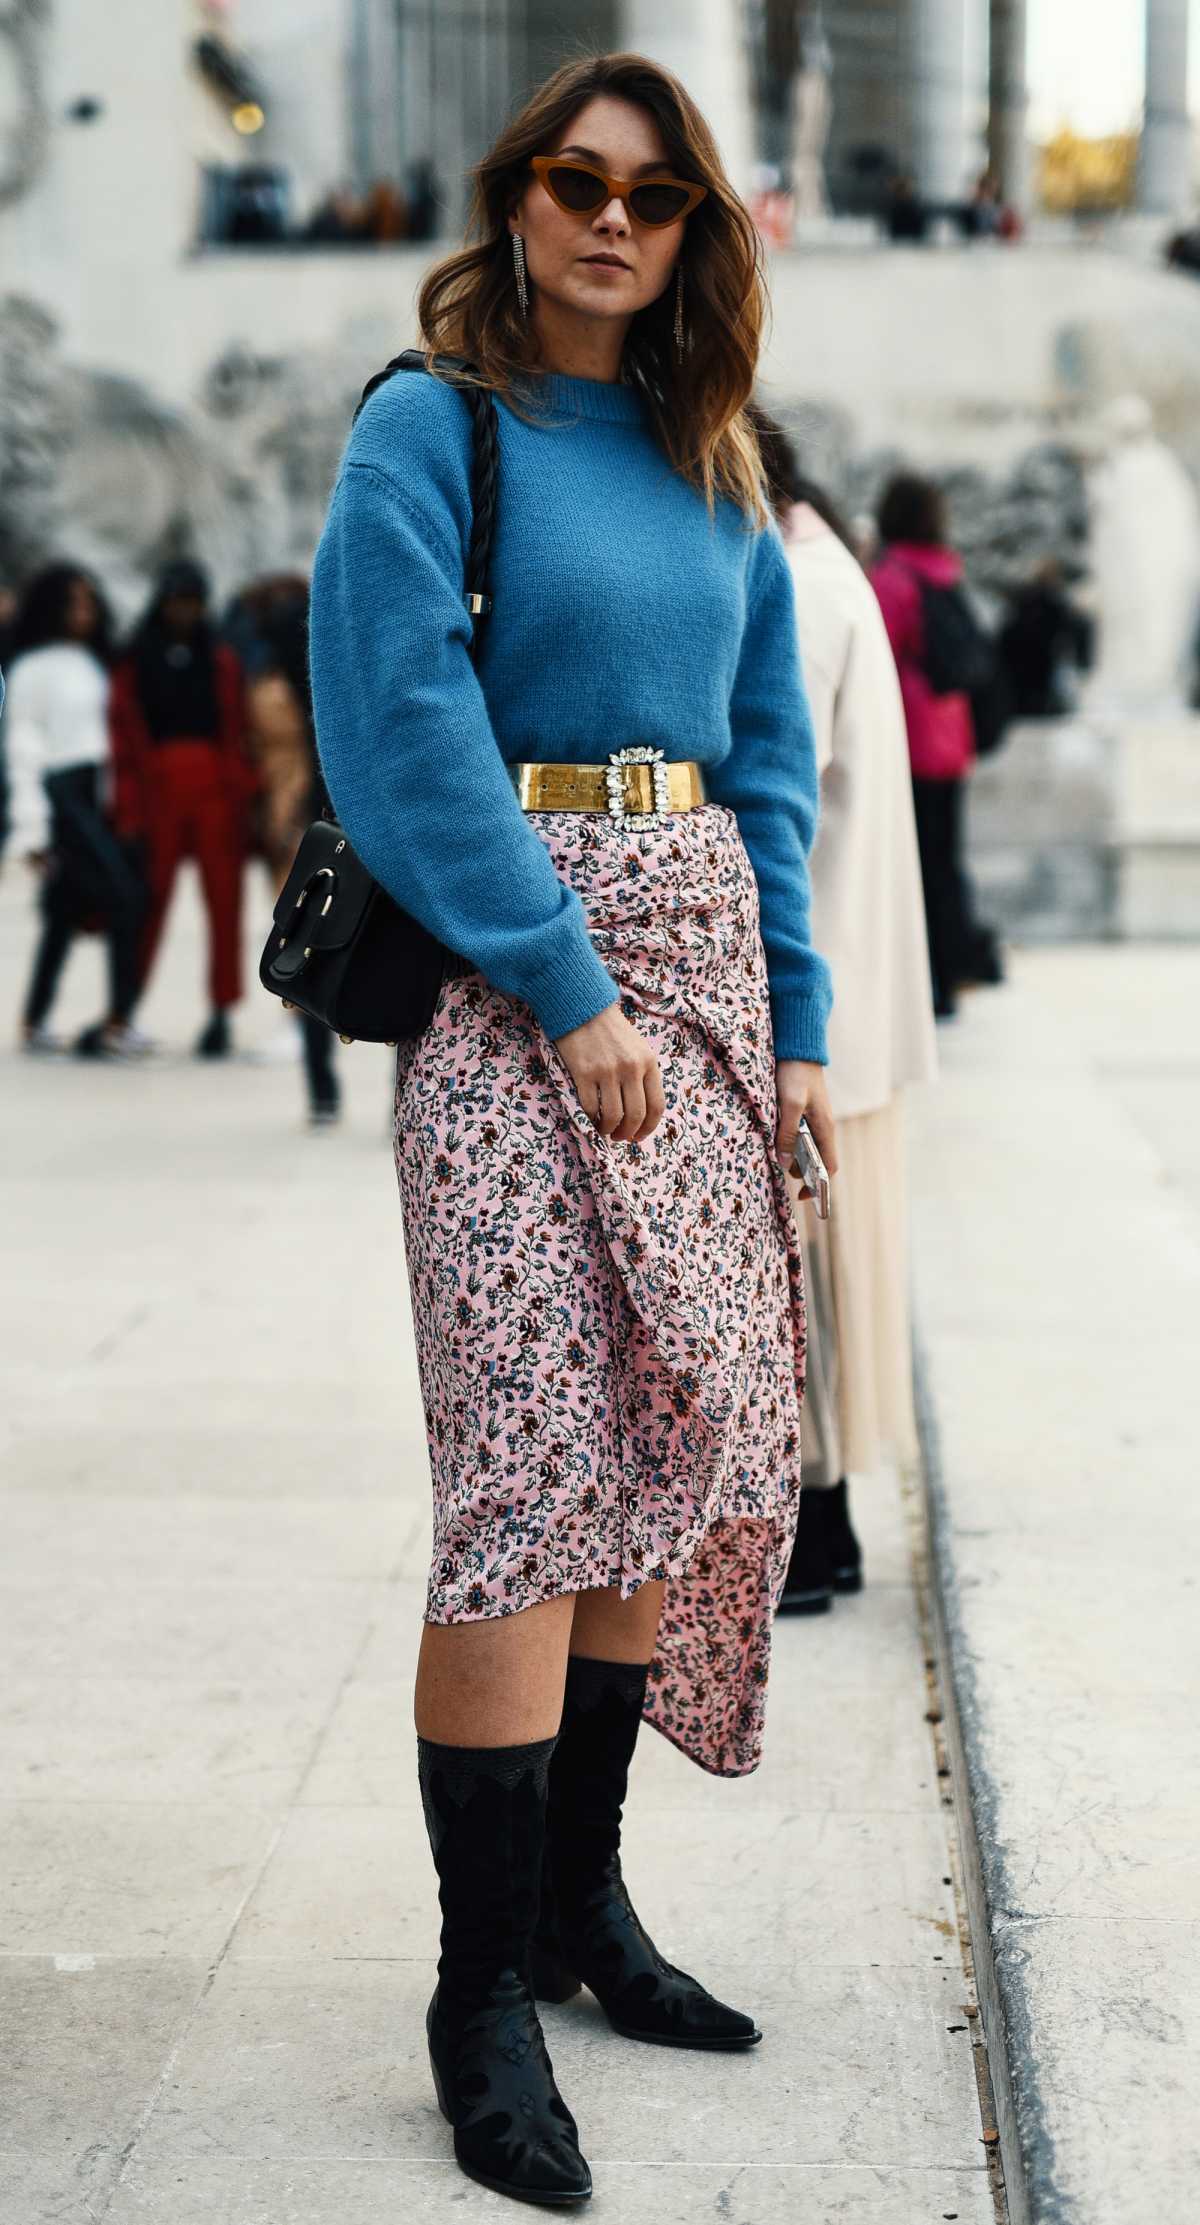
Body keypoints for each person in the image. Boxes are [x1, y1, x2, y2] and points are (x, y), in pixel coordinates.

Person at [309, 50, 836, 2209]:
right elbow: (397, 716)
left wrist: (791, 1023)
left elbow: (771, 756)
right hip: (519, 976)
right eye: (574, 180)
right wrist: (565, 980)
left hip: (706, 972)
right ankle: (475, 1987)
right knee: (531, 1465)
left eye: (656, 196)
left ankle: (579, 1908)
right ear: (517, 198)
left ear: (698, 230)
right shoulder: (430, 431)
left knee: (667, 1435)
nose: (612, 219)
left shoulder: (720, 462)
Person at [751, 416, 937, 1613]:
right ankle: (822, 1526)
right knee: (814, 1265)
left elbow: (781, 790)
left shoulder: (804, 590)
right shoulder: (827, 571)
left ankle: (814, 1532)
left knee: (802, 1270)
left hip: (817, 989)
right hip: (842, 984)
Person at [4, 564, 149, 1058]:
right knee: (125, 897)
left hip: (94, 790)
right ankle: (118, 1020)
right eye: (74, 602)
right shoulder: (32, 669)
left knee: (64, 910)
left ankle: (35, 1018)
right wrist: (32, 832)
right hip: (61, 793)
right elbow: (23, 748)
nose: (84, 612)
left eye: (90, 601)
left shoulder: (94, 661)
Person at [110, 560, 253, 1057]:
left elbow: (236, 729)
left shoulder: (219, 657)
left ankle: (220, 1011)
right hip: (160, 791)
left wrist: (242, 795)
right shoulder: (135, 657)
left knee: (224, 907)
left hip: (215, 789)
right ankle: (124, 1006)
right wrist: (129, 809)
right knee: (148, 904)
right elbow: (123, 736)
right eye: (178, 601)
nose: (185, 611)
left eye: (193, 602)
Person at [871, 473, 999, 1018]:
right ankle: (953, 972)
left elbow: (880, 653)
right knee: (946, 860)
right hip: (951, 738)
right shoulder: (946, 573)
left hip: (911, 737)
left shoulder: (894, 576)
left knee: (916, 864)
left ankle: (930, 985)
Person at [244, 586, 340, 1124]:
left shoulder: (274, 687)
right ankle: (332, 1086)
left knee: (305, 943)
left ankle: (322, 1088)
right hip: (341, 817)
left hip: (300, 823)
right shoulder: (341, 680)